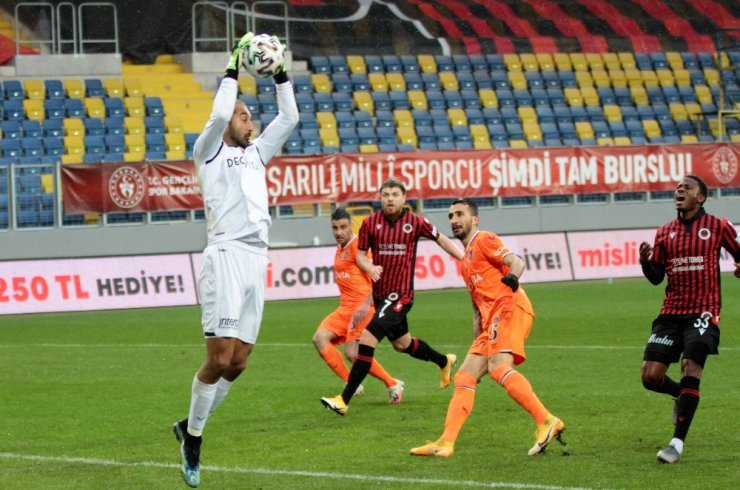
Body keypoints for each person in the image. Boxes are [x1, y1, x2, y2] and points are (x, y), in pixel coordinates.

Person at [171, 33, 298, 488]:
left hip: (255, 258)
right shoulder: (209, 150)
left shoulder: (257, 155)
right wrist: (233, 65)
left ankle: (188, 426)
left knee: (240, 361)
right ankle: (195, 438)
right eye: (246, 116)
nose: (250, 121)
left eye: (250, 116)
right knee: (218, 355)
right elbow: (222, 110)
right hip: (224, 254)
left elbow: (290, 116)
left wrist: (280, 70)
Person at [410, 198, 566, 458]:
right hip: (490, 319)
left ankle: (547, 421)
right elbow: (476, 306)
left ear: (475, 219)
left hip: (510, 306)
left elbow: (516, 261)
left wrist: (513, 277)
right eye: (450, 216)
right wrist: (477, 344)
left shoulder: (484, 239)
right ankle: (445, 443)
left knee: (498, 367)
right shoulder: (465, 260)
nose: (454, 220)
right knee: (464, 376)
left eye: (460, 214)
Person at [320, 178, 463, 416]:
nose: (390, 198)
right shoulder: (369, 223)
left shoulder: (415, 222)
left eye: (395, 194)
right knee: (402, 344)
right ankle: (443, 361)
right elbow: (361, 256)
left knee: (366, 341)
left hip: (401, 295)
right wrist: (369, 268)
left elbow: (441, 239)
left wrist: (463, 257)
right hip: (380, 296)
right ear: (380, 197)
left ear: (404, 198)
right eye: (385, 194)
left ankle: (344, 400)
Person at [639, 175, 740, 464]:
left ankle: (676, 443)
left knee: (690, 366)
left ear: (701, 198)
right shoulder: (664, 232)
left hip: (703, 312)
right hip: (671, 313)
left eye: (687, 188)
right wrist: (646, 261)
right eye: (678, 188)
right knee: (650, 377)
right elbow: (656, 278)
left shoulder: (718, 227)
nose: (680, 190)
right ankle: (680, 396)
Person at [312, 208, 405, 403]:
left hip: (361, 307)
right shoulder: (340, 248)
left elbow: (380, 278)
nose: (339, 232)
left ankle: (392, 384)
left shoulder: (359, 248)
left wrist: (366, 304)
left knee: (353, 353)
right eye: (335, 228)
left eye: (343, 227)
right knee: (320, 339)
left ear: (351, 226)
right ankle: (351, 383)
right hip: (344, 308)